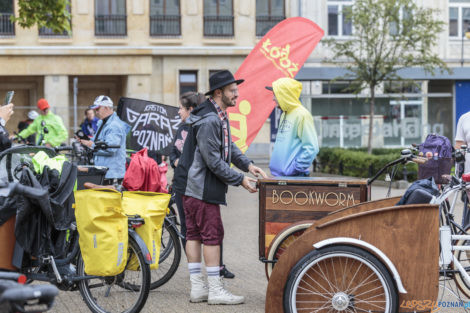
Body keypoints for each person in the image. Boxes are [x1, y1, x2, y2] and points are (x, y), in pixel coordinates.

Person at [173, 70, 267, 305]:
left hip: (189, 186)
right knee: (212, 235)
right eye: (232, 90)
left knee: (194, 234)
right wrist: (240, 179)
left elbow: (228, 145)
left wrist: (248, 165)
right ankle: (215, 290)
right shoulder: (210, 119)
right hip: (200, 188)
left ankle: (197, 289)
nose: (237, 94)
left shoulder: (215, 115)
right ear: (218, 93)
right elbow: (212, 160)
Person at [170, 91, 206, 248]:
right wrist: (175, 161)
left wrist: (185, 162)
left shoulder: (202, 128)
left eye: (180, 108)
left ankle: (218, 264)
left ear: (190, 109)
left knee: (207, 226)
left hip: (196, 185)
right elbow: (173, 153)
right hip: (180, 184)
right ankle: (193, 266)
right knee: (185, 225)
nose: (178, 112)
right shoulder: (181, 128)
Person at [266, 77, 319, 177]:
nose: (273, 98)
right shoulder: (284, 114)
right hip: (281, 176)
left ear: (284, 95)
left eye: (275, 94)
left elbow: (312, 148)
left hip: (294, 177)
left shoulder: (302, 115)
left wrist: (294, 169)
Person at [79, 95, 130, 185]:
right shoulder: (102, 123)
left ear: (106, 108)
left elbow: (111, 148)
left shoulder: (114, 125)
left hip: (112, 175)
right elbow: (96, 141)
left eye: (97, 109)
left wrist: (91, 145)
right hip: (104, 172)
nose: (96, 112)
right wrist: (86, 141)